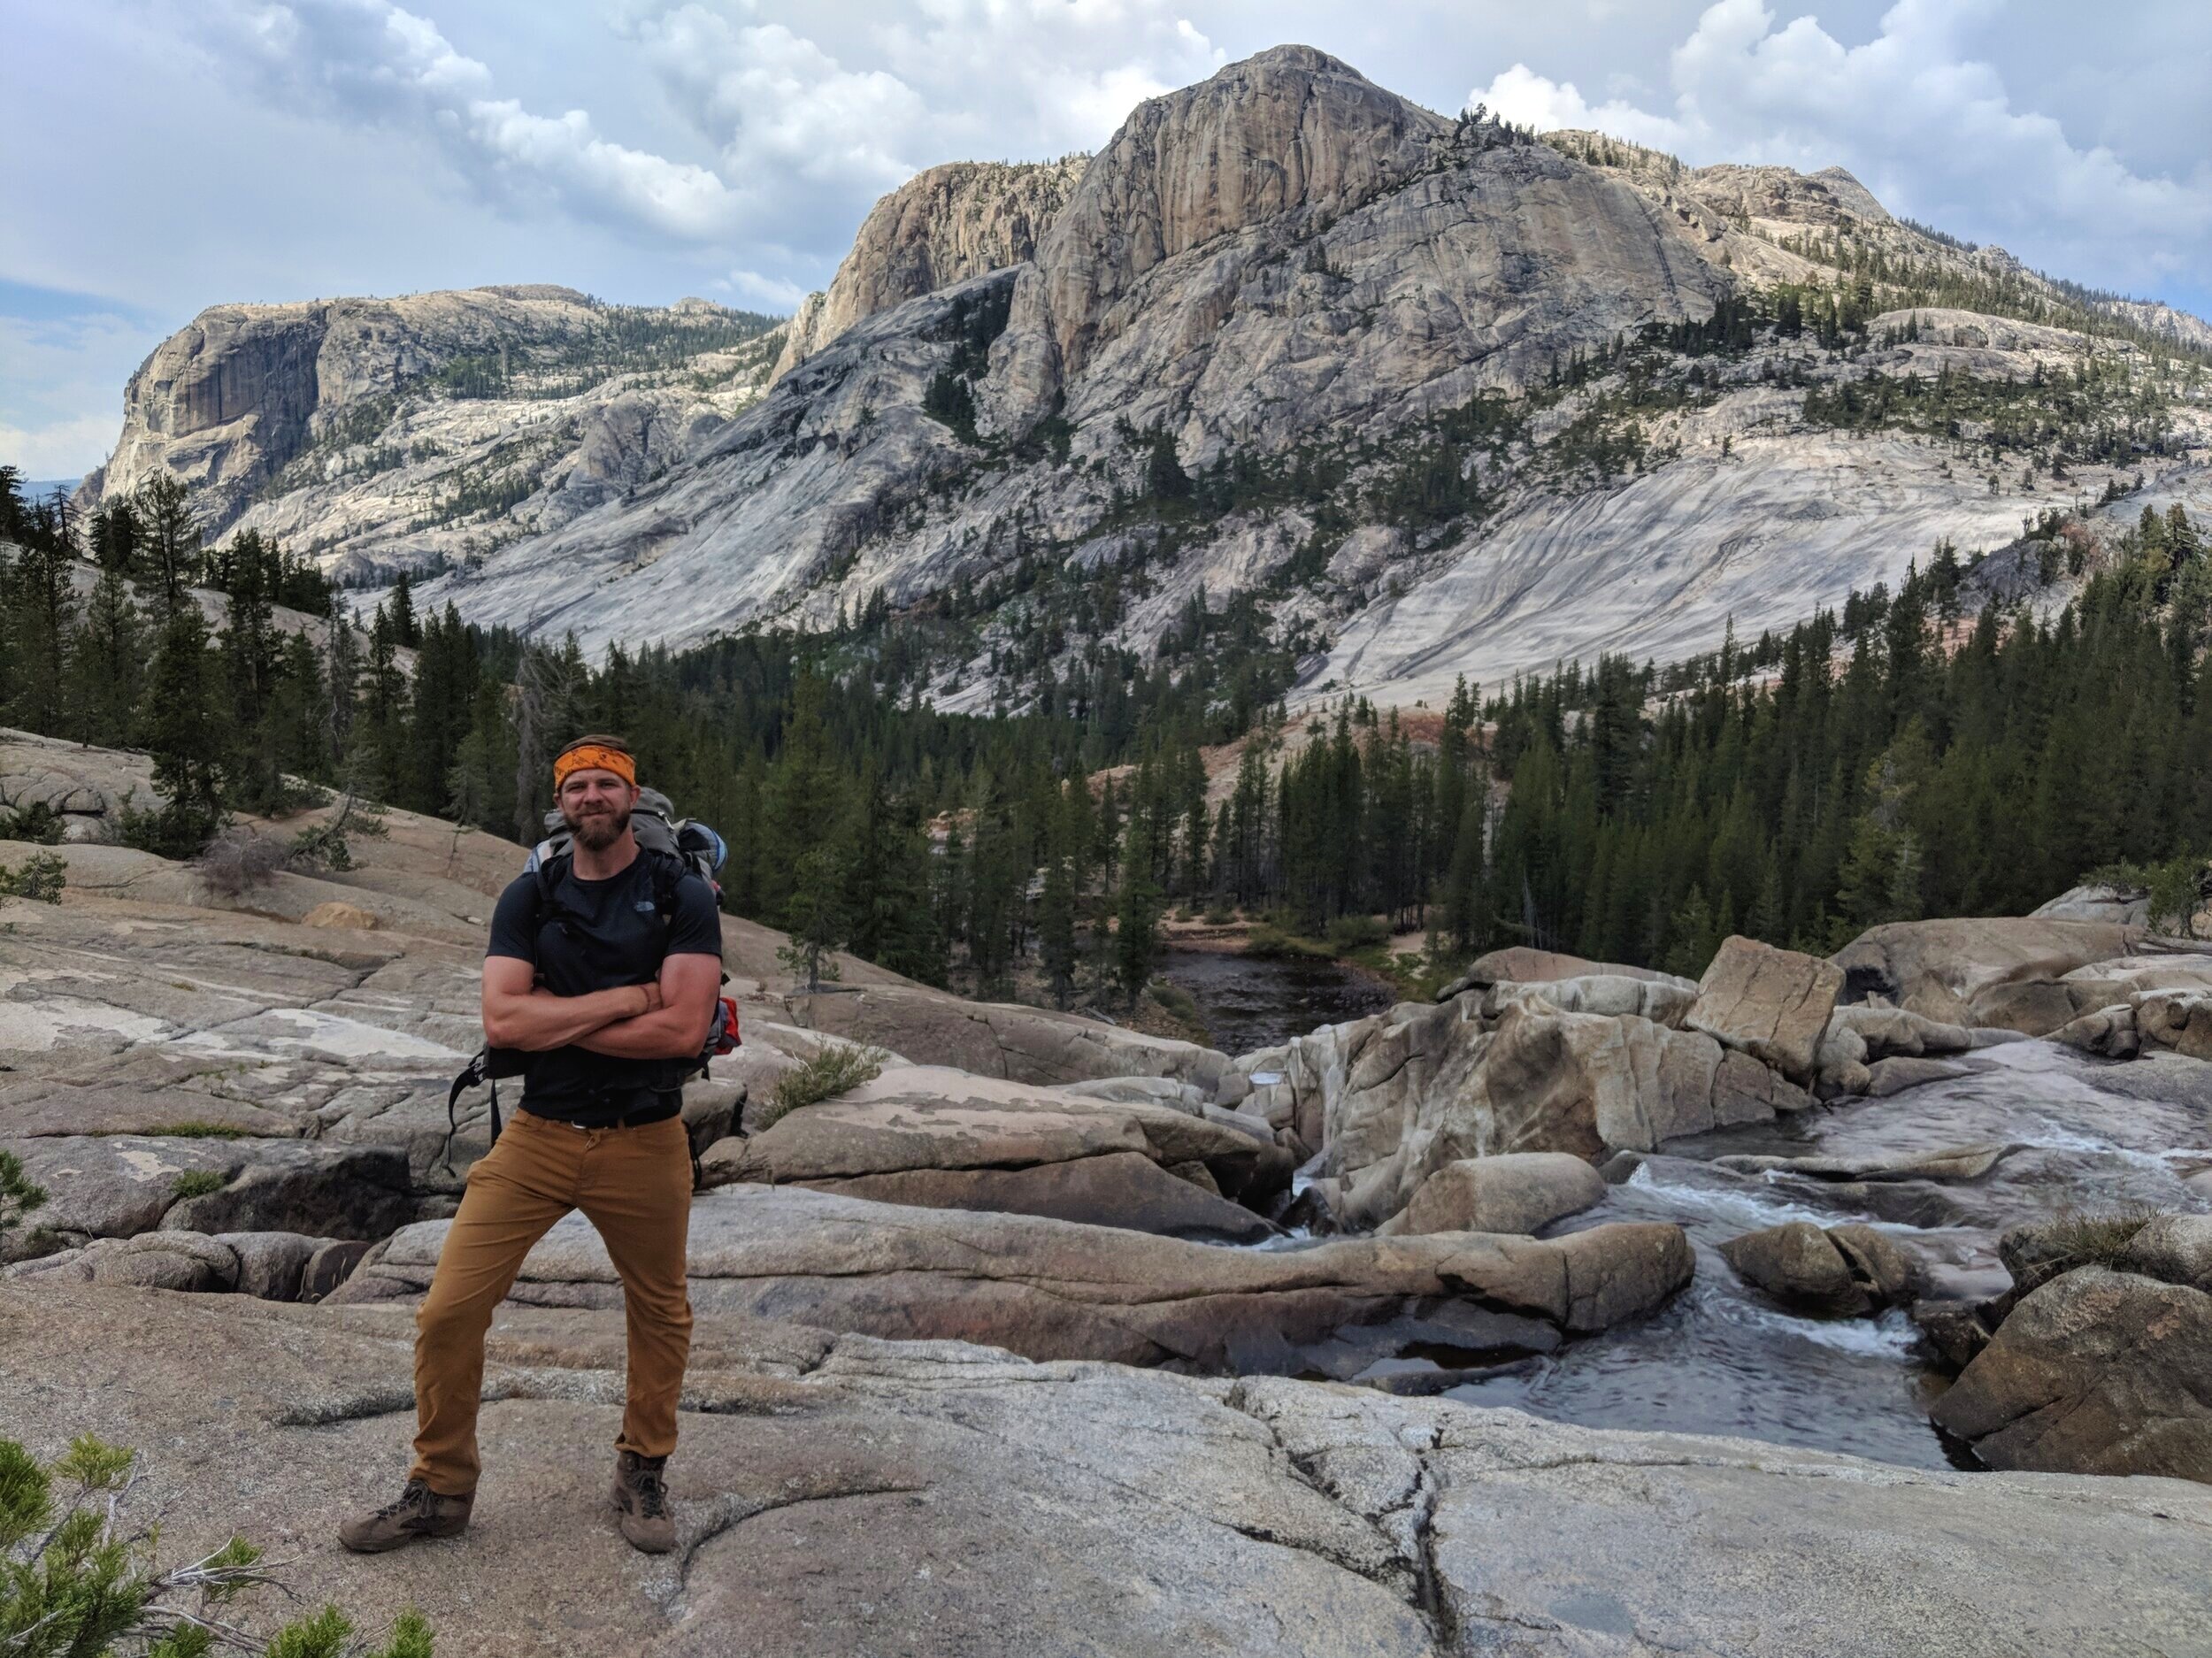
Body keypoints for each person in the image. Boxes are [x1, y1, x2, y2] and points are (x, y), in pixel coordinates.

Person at [339, 735, 724, 1556]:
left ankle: (642, 1468)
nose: (592, 796)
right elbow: (505, 1022)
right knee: (448, 1310)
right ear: (562, 802)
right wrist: (628, 998)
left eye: (606, 785)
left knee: (660, 1312)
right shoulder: (531, 895)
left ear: (632, 797)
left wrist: (564, 1020)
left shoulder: (681, 891)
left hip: (646, 1138)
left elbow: (686, 1027)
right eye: (577, 785)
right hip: (538, 1137)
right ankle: (440, 1488)